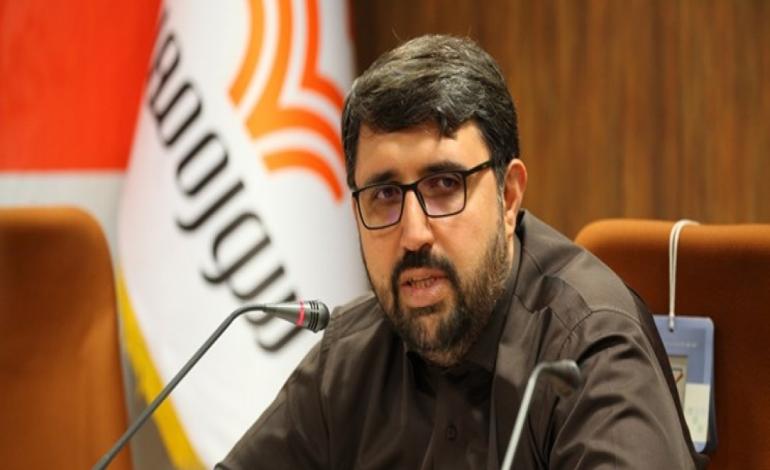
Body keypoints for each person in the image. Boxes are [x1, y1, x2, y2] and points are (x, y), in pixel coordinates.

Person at [218, 34, 707, 469]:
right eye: (385, 194)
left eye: (444, 185)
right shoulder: (349, 357)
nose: (413, 234)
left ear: (508, 197)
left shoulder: (586, 349)